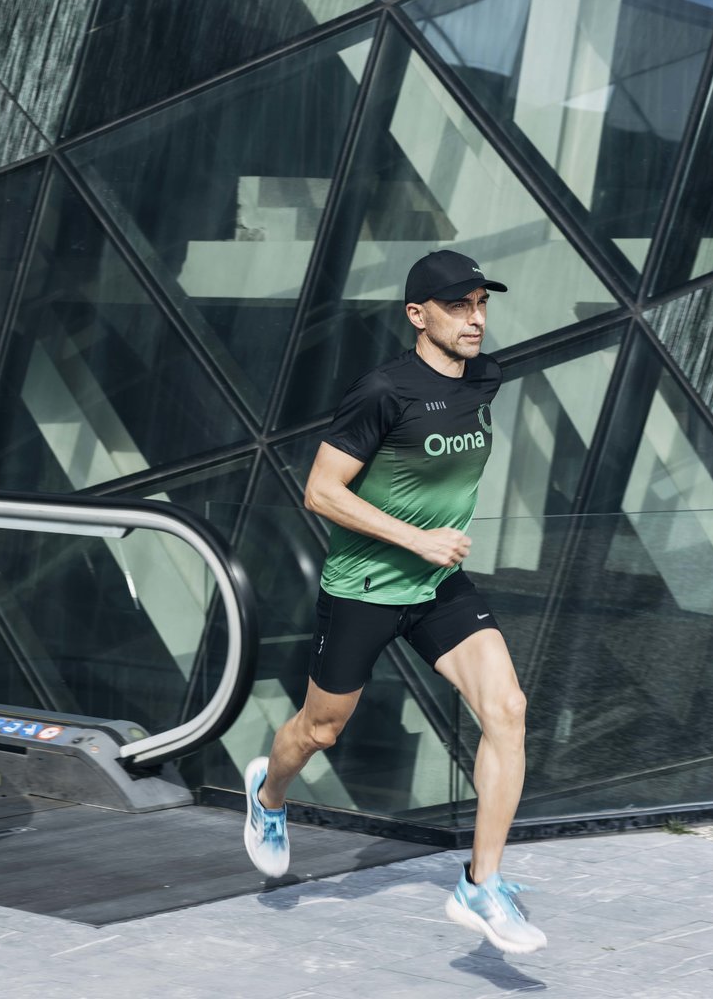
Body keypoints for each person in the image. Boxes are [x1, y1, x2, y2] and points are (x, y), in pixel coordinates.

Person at [242, 249, 545, 954]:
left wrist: (431, 550)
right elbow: (321, 490)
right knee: (320, 731)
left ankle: (481, 884)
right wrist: (417, 537)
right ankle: (267, 795)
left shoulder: (485, 378)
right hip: (367, 587)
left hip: (438, 586)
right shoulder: (382, 391)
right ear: (417, 315)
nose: (475, 319)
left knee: (508, 710)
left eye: (481, 304)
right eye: (457, 306)